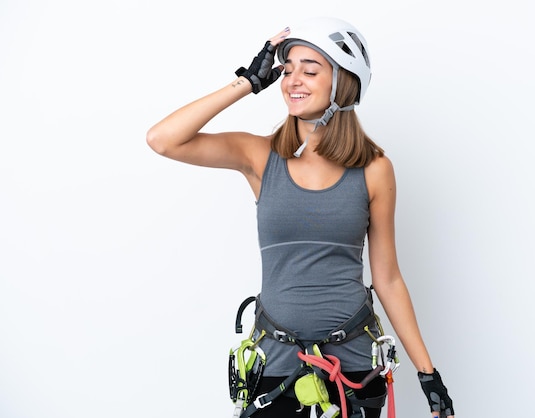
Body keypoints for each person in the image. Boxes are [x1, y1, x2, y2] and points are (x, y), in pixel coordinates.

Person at [147, 17, 454, 418]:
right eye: (287, 70)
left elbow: (388, 278)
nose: (293, 80)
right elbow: (163, 139)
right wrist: (247, 82)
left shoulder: (375, 169)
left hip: (353, 367)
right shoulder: (259, 157)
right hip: (274, 360)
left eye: (310, 70)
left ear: (343, 82)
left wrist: (428, 375)